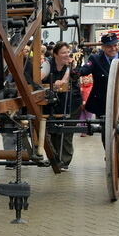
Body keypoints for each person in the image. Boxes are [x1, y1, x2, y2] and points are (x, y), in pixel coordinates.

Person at [78, 32, 119, 174]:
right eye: (108, 46)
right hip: (102, 101)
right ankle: (111, 155)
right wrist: (75, 69)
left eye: (114, 45)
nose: (112, 48)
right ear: (103, 47)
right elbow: (84, 70)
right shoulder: (95, 58)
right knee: (106, 131)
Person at [44, 42, 83, 170]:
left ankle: (64, 161)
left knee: (66, 132)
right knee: (53, 131)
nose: (66, 55)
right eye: (63, 52)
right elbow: (39, 76)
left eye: (67, 52)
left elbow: (66, 79)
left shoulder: (71, 64)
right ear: (55, 54)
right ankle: (55, 158)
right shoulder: (48, 63)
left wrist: (62, 81)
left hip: (72, 102)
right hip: (53, 103)